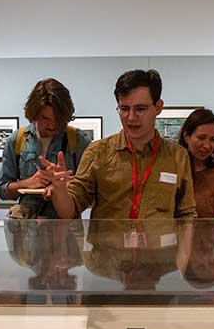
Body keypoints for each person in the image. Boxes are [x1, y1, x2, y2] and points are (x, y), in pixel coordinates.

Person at [41, 69, 196, 219]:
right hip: (108, 246)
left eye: (140, 109)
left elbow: (187, 215)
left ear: (158, 107)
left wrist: (185, 247)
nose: (131, 117)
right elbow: (70, 211)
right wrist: (60, 190)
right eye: (124, 109)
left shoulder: (178, 156)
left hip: (161, 246)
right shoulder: (98, 152)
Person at [0, 78, 91, 218]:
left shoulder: (79, 140)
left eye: (58, 119)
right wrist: (27, 184)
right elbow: (2, 189)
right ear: (34, 114)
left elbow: (89, 189)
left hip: (65, 230)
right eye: (45, 118)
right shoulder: (17, 139)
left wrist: (62, 188)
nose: (52, 125)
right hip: (26, 229)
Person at [178, 108, 214, 218]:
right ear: (186, 136)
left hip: (207, 235)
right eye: (201, 137)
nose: (207, 145)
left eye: (213, 139)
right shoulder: (172, 170)